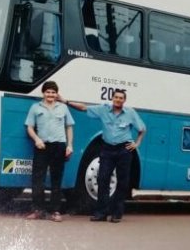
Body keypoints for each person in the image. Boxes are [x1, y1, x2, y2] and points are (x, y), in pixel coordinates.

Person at [60, 89, 146, 223]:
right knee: (102, 179)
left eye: (121, 98)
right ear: (113, 98)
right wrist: (65, 101)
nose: (118, 100)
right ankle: (101, 213)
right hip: (107, 149)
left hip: (124, 150)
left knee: (122, 183)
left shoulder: (130, 113)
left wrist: (136, 144)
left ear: (124, 100)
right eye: (116, 97)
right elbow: (83, 108)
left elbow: (142, 129)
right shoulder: (103, 110)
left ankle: (117, 213)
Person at [24, 81, 74, 222]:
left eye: (53, 92)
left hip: (59, 146)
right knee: (37, 179)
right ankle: (38, 210)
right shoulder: (35, 107)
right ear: (43, 93)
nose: (50, 94)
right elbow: (29, 127)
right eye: (48, 92)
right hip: (42, 146)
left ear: (57, 94)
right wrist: (37, 139)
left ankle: (55, 211)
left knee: (56, 179)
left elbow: (69, 127)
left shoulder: (63, 108)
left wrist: (69, 145)